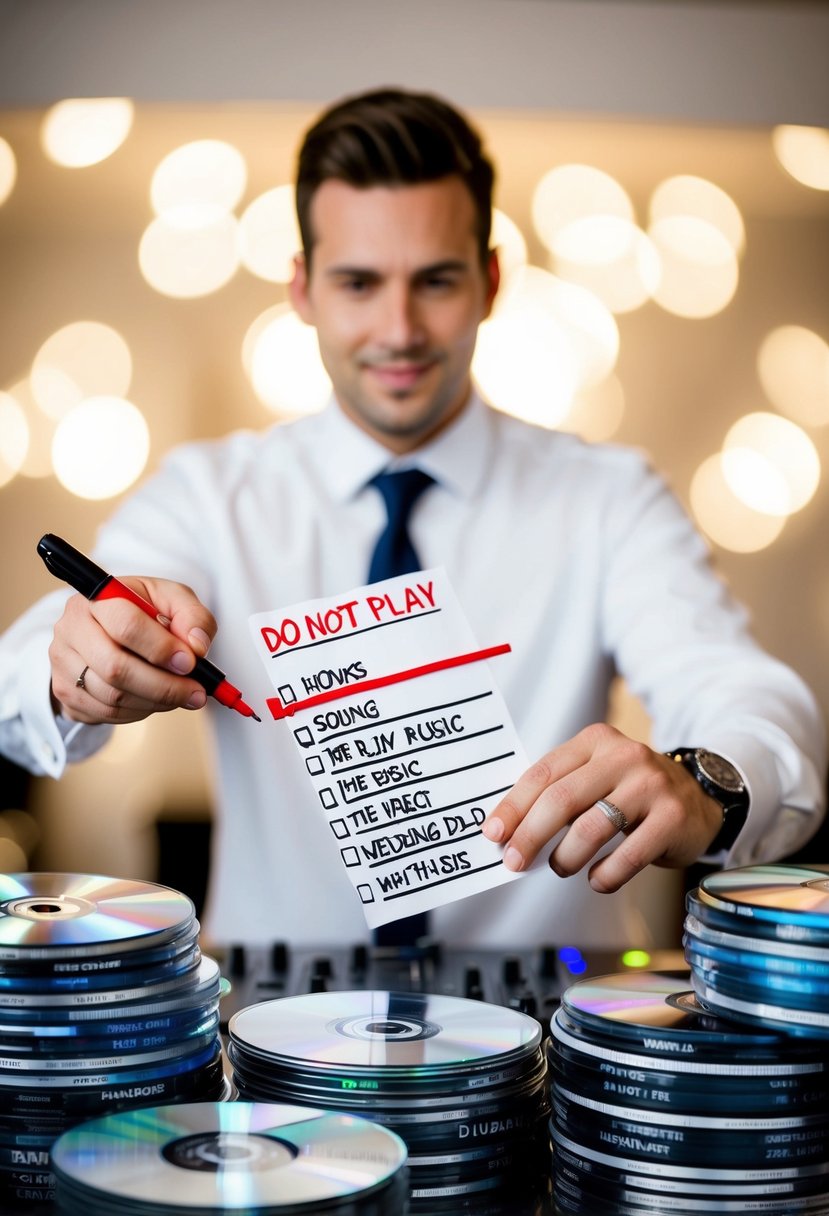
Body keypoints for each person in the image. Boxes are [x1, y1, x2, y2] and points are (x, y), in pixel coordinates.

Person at [0, 88, 825, 950]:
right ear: (303, 288)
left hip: (555, 1022)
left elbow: (747, 691)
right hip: (270, 1041)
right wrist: (73, 669)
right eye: (358, 282)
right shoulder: (208, 496)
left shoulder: (607, 498)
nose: (398, 330)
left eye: (434, 281)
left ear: (490, 282)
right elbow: (15, 680)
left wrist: (703, 782)